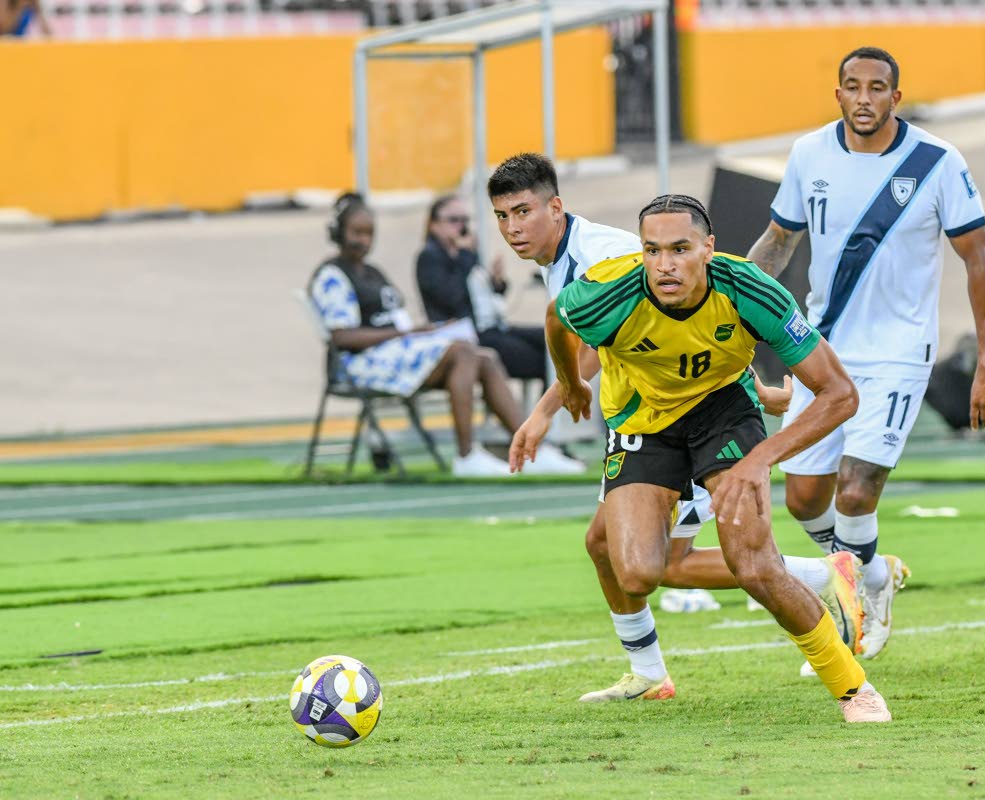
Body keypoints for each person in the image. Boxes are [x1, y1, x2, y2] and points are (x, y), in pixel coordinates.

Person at [489, 154, 867, 703]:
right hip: (639, 415)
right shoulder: (569, 264)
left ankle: (820, 582)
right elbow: (577, 325)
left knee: (679, 562)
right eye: (502, 216)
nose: (512, 228)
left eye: (522, 212)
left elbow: (690, 325)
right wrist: (561, 393)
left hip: (695, 414)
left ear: (555, 207)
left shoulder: (615, 258)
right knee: (610, 550)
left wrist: (753, 391)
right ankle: (648, 672)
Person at [746, 46, 985, 660]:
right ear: (837, 93)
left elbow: (980, 259)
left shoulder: (937, 161)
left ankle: (857, 606)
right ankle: (872, 573)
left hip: (898, 350)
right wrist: (728, 304)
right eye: (852, 86)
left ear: (896, 95)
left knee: (856, 493)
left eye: (877, 87)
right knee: (803, 499)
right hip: (821, 348)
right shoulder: (809, 153)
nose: (864, 98)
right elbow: (779, 243)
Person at [308, 192, 574, 478]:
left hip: (395, 352)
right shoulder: (333, 275)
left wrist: (417, 332)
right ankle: (466, 455)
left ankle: (531, 448)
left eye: (369, 233)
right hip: (359, 365)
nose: (363, 240)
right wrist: (406, 333)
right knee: (463, 351)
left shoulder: (371, 271)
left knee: (486, 357)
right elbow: (341, 337)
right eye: (356, 232)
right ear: (338, 233)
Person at [417, 195, 550, 389]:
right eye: (454, 220)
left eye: (465, 220)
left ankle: (551, 416)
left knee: (552, 337)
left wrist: (496, 283)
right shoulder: (430, 257)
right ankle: (544, 417)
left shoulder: (464, 252)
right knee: (543, 361)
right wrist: (464, 256)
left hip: (492, 327)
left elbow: (482, 298)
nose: (461, 227)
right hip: (467, 336)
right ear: (434, 224)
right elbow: (452, 298)